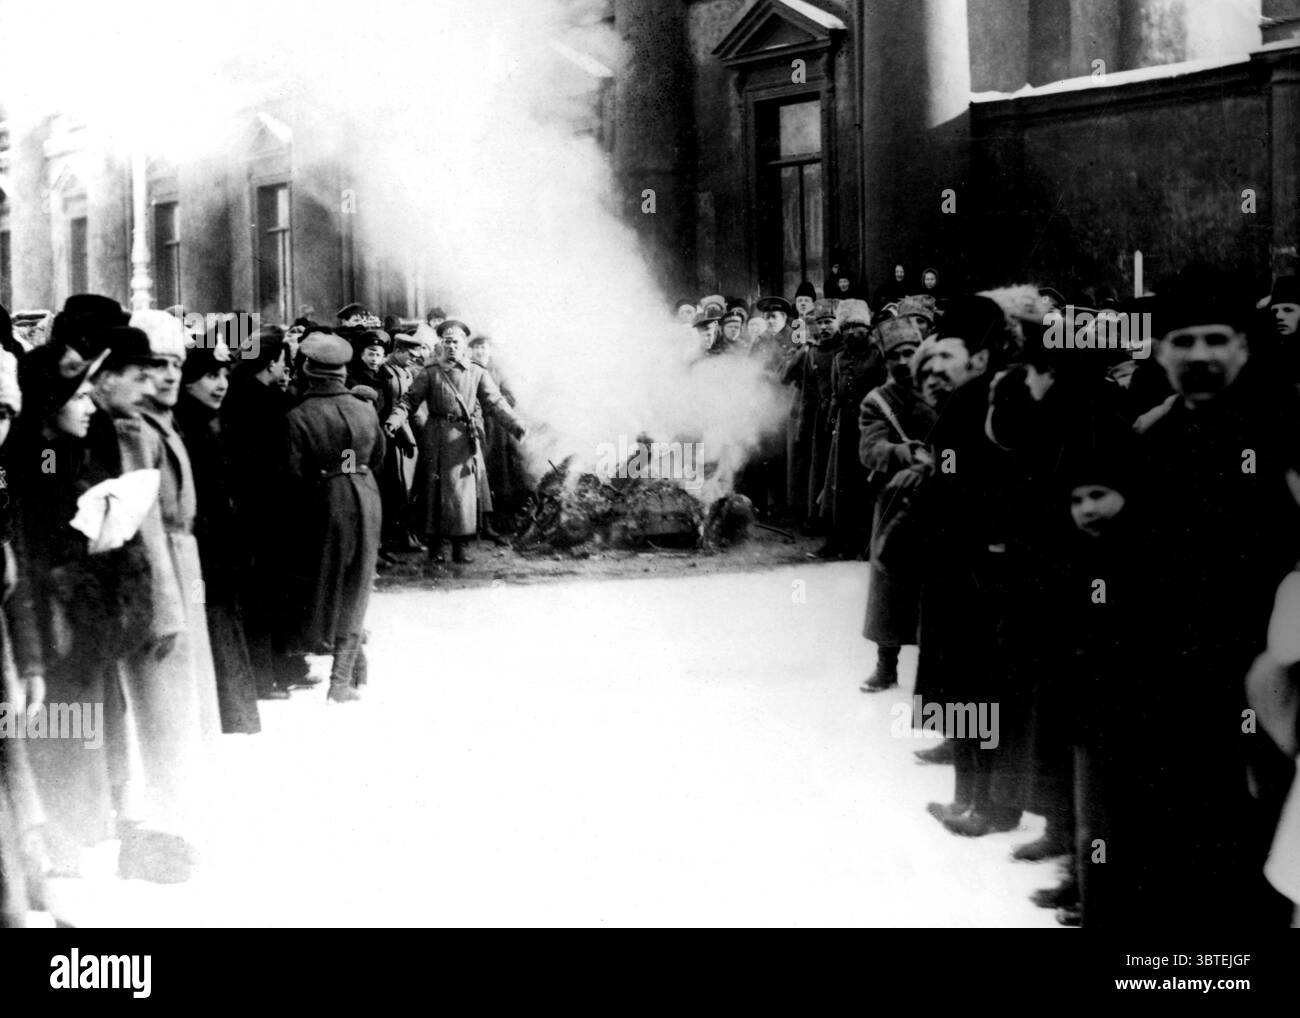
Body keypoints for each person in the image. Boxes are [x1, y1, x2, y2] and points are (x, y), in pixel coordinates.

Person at [1117, 270, 1300, 926]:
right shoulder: (1145, 440)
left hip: (1260, 689)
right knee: (1171, 860)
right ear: (1161, 353)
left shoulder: (1284, 434)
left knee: (1251, 866)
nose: (1199, 354)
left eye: (1216, 339)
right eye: (1183, 340)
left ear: (1243, 350)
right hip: (1164, 688)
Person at [283, 332, 386, 703]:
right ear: (343, 372)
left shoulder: (298, 415)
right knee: (358, 582)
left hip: (324, 501)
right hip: (366, 495)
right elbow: (377, 459)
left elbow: (293, 473)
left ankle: (341, 673)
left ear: (309, 370)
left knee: (326, 582)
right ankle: (344, 678)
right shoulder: (364, 408)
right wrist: (349, 467)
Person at [385, 320, 526, 567]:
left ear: (464, 346)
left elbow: (495, 402)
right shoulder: (430, 372)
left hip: (463, 440)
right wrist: (394, 420)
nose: (451, 346)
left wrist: (515, 424)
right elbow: (409, 401)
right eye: (447, 342)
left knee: (463, 497)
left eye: (456, 342)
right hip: (436, 438)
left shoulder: (477, 372)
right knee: (434, 495)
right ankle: (437, 548)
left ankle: (461, 548)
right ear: (442, 344)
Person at [176, 339, 261, 734]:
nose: (222, 384)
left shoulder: (210, 422)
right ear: (187, 381)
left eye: (224, 374)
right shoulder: (189, 427)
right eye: (211, 376)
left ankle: (228, 713)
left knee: (220, 622)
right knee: (210, 623)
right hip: (204, 554)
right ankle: (224, 713)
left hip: (218, 553)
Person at [857, 315, 932, 692]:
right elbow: (870, 450)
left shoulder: (939, 390)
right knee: (890, 586)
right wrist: (904, 452)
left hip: (936, 497)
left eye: (911, 351)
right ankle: (886, 667)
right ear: (885, 361)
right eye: (895, 355)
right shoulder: (877, 401)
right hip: (895, 500)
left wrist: (937, 460)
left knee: (934, 588)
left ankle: (934, 674)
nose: (904, 361)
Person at [817, 299, 884, 559]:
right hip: (845, 429)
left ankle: (866, 544)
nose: (850, 333)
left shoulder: (877, 355)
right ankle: (841, 542)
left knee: (866, 486)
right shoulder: (839, 358)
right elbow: (835, 392)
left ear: (866, 329)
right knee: (841, 487)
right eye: (845, 328)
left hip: (870, 427)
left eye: (856, 327)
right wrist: (832, 418)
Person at [469, 335, 528, 538]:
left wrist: (492, 407)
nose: (479, 351)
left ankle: (502, 520)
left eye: (483, 347)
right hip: (476, 426)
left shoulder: (498, 371)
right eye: (475, 347)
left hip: (497, 429)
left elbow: (510, 397)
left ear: (490, 349)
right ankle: (478, 523)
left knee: (501, 474)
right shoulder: (467, 368)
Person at [377, 332, 424, 555]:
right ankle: (397, 537)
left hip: (403, 434)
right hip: (393, 436)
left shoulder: (404, 371)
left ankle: (405, 534)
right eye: (409, 355)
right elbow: (390, 407)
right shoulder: (387, 373)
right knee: (397, 487)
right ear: (398, 351)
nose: (413, 359)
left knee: (406, 487)